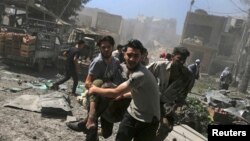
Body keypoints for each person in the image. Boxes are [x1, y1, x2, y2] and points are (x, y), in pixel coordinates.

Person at [88, 39, 160, 141]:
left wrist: (95, 89)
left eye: (136, 56)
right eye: (129, 55)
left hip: (148, 120)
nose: (132, 59)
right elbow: (135, 91)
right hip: (133, 113)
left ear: (141, 57)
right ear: (124, 54)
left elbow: (115, 92)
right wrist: (123, 95)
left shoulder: (140, 74)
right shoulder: (131, 69)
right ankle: (90, 122)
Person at [66, 36, 126, 141]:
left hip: (108, 99)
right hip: (95, 99)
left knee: (107, 133)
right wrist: (99, 88)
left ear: (113, 47)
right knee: (98, 82)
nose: (106, 49)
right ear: (100, 48)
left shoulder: (115, 62)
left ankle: (84, 124)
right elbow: (87, 83)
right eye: (103, 47)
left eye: (108, 47)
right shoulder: (97, 62)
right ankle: (90, 121)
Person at [147, 46, 193, 141]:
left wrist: (174, 109)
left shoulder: (187, 76)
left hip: (168, 107)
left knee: (166, 127)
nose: (181, 62)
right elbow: (142, 76)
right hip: (152, 103)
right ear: (172, 57)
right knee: (146, 128)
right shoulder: (159, 66)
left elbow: (183, 96)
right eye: (179, 59)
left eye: (183, 60)